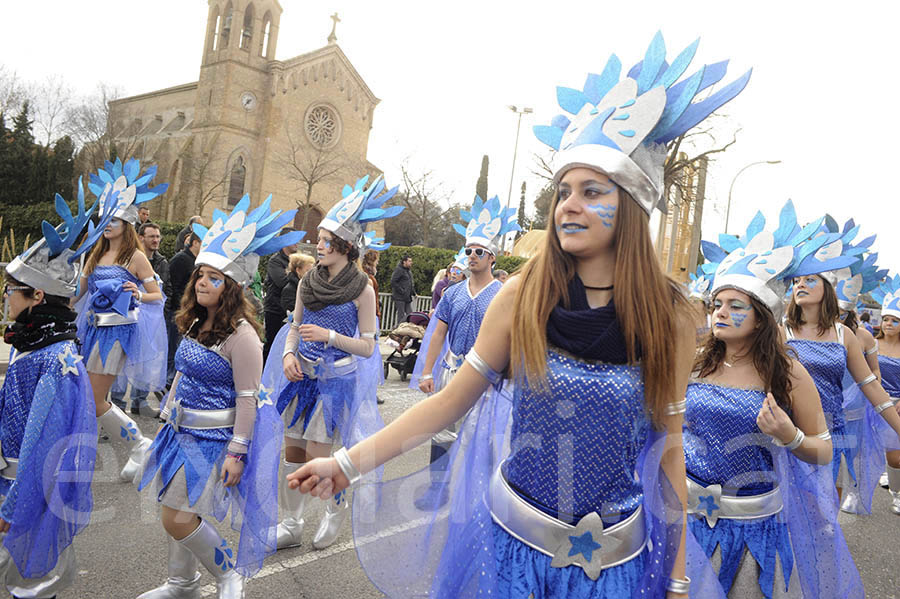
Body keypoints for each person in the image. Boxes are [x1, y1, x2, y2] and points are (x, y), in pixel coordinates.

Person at [288, 33, 749, 598]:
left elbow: (667, 450)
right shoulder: (522, 297)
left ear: (631, 205)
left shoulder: (672, 318)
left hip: (613, 568)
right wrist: (347, 463)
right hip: (507, 552)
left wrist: (678, 580)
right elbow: (447, 403)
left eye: (591, 191)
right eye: (562, 191)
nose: (569, 205)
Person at [686, 203, 862, 597]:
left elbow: (822, 450)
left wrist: (790, 435)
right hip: (687, 524)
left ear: (761, 316)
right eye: (717, 305)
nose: (720, 313)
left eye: (735, 306)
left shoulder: (788, 372)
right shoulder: (695, 362)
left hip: (753, 532)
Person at [137, 196, 299, 599]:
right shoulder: (194, 320)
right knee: (175, 510)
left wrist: (237, 452)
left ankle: (228, 573)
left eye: (213, 277)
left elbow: (248, 398)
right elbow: (184, 372)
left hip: (213, 441)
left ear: (232, 286)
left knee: (176, 518)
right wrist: (166, 412)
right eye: (200, 275)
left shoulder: (243, 334)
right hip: (179, 432)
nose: (202, 283)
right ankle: (182, 583)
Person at [263, 175, 401, 551]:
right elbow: (294, 326)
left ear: (344, 247)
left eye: (325, 241)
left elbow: (369, 348)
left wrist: (330, 338)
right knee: (292, 455)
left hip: (336, 383)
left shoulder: (363, 289)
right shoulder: (308, 282)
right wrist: (290, 353)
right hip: (301, 379)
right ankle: (291, 524)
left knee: (318, 457)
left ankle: (333, 511)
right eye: (320, 240)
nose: (318, 245)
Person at [0, 191, 97, 599]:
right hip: (8, 479)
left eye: (13, 290)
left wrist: (13, 506)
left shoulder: (57, 357)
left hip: (25, 486)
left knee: (31, 582)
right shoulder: (32, 343)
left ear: (37, 296)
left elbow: (44, 442)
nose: (6, 296)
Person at [411, 196, 519, 510]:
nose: (471, 256)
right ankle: (437, 489)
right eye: (468, 250)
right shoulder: (452, 292)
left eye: (478, 252)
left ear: (492, 258)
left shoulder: (501, 295)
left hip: (486, 376)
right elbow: (439, 332)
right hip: (450, 369)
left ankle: (482, 494)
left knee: (483, 436)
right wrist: (428, 370)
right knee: (441, 430)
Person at [783, 227, 900, 500]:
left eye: (809, 279)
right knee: (789, 511)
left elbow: (870, 384)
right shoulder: (781, 332)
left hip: (830, 431)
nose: (800, 284)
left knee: (824, 514)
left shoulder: (843, 334)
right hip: (789, 430)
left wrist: (897, 425)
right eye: (796, 281)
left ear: (827, 288)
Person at [73, 158, 169, 483]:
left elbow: (158, 295)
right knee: (89, 396)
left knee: (93, 396)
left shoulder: (136, 257)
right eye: (105, 218)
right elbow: (78, 292)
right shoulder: (95, 253)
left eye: (115, 219)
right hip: (91, 331)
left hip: (118, 333)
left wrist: (139, 293)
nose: (108, 224)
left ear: (126, 223)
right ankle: (133, 446)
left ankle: (139, 444)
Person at [112, 221, 170, 418]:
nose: (156, 240)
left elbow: (161, 292)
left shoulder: (162, 262)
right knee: (121, 362)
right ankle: (116, 404)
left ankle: (140, 400)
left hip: (151, 320)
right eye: (152, 236)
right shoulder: (128, 258)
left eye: (158, 236)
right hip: (130, 318)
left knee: (146, 361)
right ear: (141, 237)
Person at [871, 276, 900, 513]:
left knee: (896, 455)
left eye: (894, 320)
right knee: (872, 445)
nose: (888, 324)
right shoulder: (872, 343)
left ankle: (898, 494)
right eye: (886, 320)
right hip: (873, 402)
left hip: (897, 405)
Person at [164, 232, 202, 395]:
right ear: (194, 243)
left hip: (187, 310)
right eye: (202, 242)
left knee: (179, 345)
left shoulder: (196, 262)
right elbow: (174, 284)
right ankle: (167, 380)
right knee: (173, 346)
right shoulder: (181, 259)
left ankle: (172, 380)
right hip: (177, 310)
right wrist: (181, 306)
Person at [263, 228, 300, 361]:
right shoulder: (276, 261)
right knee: (271, 344)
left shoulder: (297, 260)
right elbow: (282, 282)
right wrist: (297, 276)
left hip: (291, 310)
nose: (298, 242)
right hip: (275, 309)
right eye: (293, 239)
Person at [390, 255, 415, 325]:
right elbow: (393, 281)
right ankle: (398, 331)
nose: (411, 263)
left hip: (407, 297)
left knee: (410, 315)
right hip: (400, 297)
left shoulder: (408, 271)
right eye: (409, 261)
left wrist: (414, 293)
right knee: (401, 316)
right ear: (404, 262)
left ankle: (406, 331)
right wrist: (402, 291)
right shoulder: (399, 270)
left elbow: (410, 283)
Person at [361, 249, 382, 323]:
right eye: (377, 260)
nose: (378, 263)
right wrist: (378, 314)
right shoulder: (370, 278)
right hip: (369, 314)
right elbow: (373, 299)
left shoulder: (360, 273)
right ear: (373, 261)